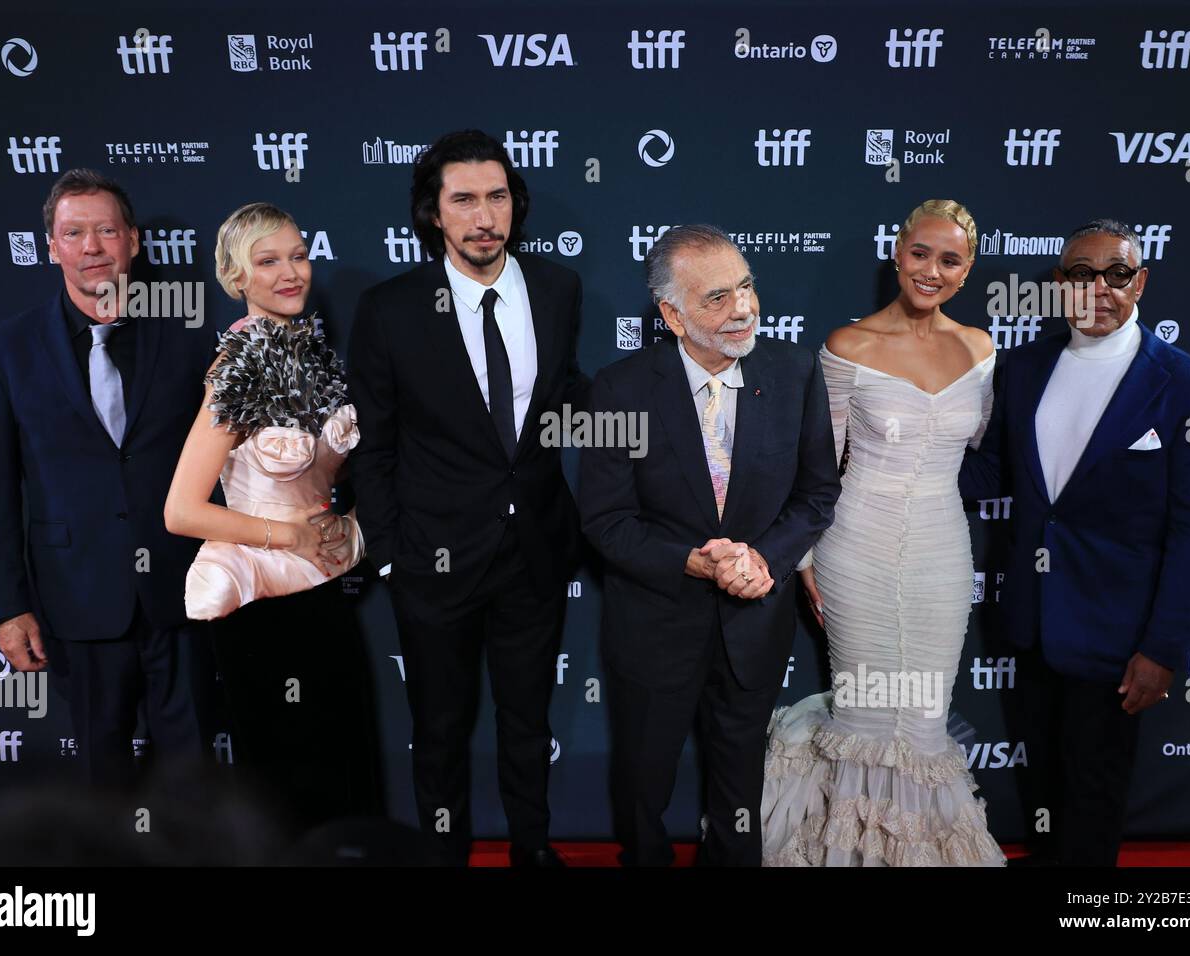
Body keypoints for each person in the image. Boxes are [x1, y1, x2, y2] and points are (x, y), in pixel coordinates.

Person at [959, 218, 1190, 866]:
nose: (1100, 288)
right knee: (1044, 797)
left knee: (1092, 804)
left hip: (1118, 639)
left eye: (1117, 274)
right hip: (1028, 626)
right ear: (1060, 285)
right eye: (1082, 274)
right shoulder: (1022, 369)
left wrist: (1162, 649)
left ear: (1140, 282)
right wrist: (888, 460)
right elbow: (989, 473)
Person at [347, 130, 587, 866]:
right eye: (464, 200)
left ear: (515, 203)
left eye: (497, 196)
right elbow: (373, 444)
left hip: (535, 552)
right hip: (434, 561)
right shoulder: (390, 309)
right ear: (434, 213)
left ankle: (533, 849)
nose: (484, 217)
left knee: (527, 720)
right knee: (441, 729)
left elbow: (563, 400)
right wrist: (391, 556)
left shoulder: (557, 287)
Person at [579, 224, 841, 866]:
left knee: (740, 786)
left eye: (746, 287)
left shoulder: (796, 371)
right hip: (655, 625)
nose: (744, 309)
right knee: (644, 781)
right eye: (717, 298)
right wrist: (691, 562)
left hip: (754, 624)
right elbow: (606, 521)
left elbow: (816, 495)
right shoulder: (617, 391)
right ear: (672, 314)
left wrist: (764, 559)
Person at [762, 199, 1006, 866]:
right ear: (897, 253)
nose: (931, 269)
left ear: (967, 271)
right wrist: (807, 560)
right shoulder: (849, 347)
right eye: (920, 253)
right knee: (867, 718)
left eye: (949, 259)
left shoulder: (980, 349)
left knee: (924, 723)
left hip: (940, 551)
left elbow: (982, 453)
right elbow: (819, 466)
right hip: (855, 548)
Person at [0, 168, 216, 789]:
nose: (92, 247)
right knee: (97, 778)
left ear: (132, 241)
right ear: (51, 247)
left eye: (106, 230)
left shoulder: (189, 335)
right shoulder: (7, 349)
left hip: (184, 590)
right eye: (73, 232)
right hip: (75, 598)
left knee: (191, 776)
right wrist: (8, 607)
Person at [164, 202, 377, 835]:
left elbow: (324, 477)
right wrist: (290, 534)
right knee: (284, 779)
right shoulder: (237, 368)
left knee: (338, 767)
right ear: (236, 277)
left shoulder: (313, 353)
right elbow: (181, 511)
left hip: (319, 591)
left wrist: (346, 524)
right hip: (259, 603)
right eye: (268, 261)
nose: (291, 273)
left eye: (298, 256)